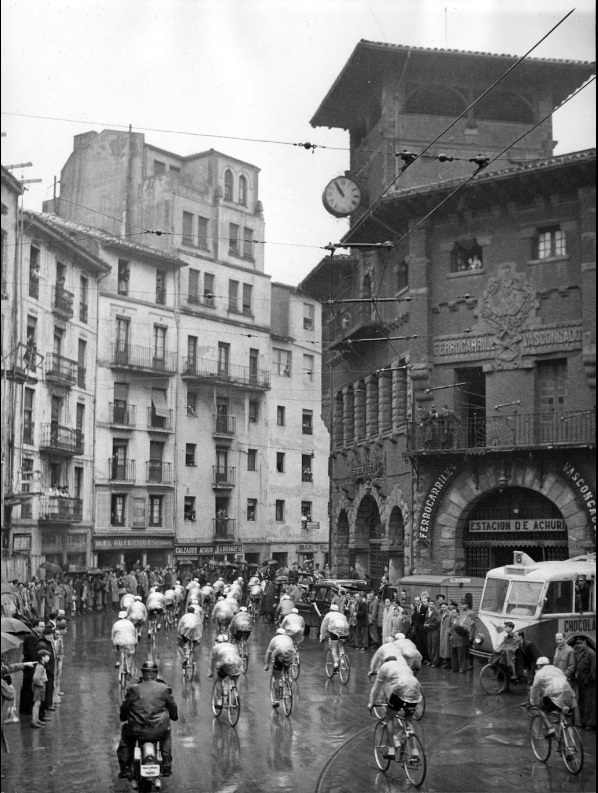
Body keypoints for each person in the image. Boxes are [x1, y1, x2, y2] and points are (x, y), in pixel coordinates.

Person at [117, 660, 178, 783]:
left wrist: (123, 717)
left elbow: (125, 707)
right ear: (155, 674)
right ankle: (166, 765)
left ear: (143, 673)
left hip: (137, 730)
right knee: (167, 733)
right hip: (159, 730)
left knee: (125, 734)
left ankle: (126, 768)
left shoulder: (134, 689)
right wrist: (174, 716)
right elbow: (173, 707)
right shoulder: (164, 689)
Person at [367, 656, 423, 761]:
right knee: (409, 721)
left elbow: (376, 687)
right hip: (415, 688)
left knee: (389, 718)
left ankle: (391, 750)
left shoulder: (384, 667)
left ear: (385, 661)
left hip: (400, 689)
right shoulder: (404, 665)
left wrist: (371, 703)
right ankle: (415, 752)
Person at [529, 657, 577, 739]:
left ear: (539, 666)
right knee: (563, 713)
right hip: (569, 694)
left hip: (556, 695)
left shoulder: (540, 673)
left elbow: (535, 689)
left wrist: (533, 701)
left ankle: (551, 729)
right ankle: (570, 745)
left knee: (540, 706)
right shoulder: (557, 669)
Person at [208, 634, 243, 707]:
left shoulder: (215, 648)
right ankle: (236, 696)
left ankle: (219, 700)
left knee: (219, 679)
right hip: (237, 663)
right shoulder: (232, 646)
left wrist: (211, 672)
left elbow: (212, 662)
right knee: (236, 680)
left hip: (226, 662)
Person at [264, 628, 295, 708]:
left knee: (276, 677)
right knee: (287, 665)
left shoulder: (274, 639)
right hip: (290, 654)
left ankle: (277, 700)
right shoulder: (288, 638)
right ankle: (288, 679)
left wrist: (267, 664)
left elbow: (269, 653)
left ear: (276, 634)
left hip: (280, 654)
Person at [319, 603, 349, 674]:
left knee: (334, 648)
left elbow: (323, 628)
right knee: (341, 645)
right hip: (344, 630)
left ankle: (336, 665)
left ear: (330, 609)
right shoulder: (342, 615)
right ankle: (342, 660)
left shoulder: (328, 615)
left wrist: (322, 637)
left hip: (335, 630)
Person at [573, 636, 596, 730]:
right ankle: (583, 722)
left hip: (589, 682)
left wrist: (589, 680)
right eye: (578, 643)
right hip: (581, 682)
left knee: (589, 702)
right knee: (581, 701)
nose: (579, 645)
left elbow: (594, 669)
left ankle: (590, 724)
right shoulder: (579, 652)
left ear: (585, 643)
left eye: (581, 643)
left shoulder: (591, 653)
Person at [177, 605, 203, 670]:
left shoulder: (184, 617)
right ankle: (194, 659)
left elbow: (180, 626)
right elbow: (201, 626)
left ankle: (184, 658)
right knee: (195, 644)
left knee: (180, 645)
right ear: (194, 611)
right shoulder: (197, 617)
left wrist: (179, 634)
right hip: (195, 632)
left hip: (185, 632)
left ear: (187, 611)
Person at [30, 649, 51, 728]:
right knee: (37, 703)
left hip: (40, 686)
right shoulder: (40, 667)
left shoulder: (41, 665)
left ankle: (37, 719)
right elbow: (35, 678)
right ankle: (34, 720)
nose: (48, 658)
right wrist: (41, 684)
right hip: (39, 687)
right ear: (42, 657)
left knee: (39, 703)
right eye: (47, 656)